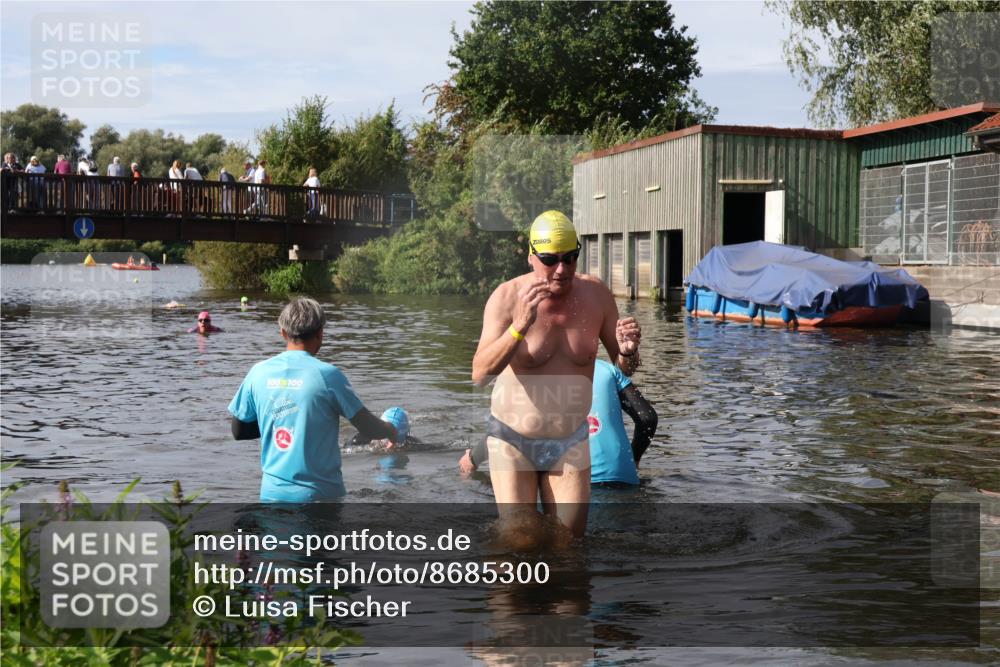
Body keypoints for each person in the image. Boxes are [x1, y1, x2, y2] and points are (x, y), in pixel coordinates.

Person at [471, 210, 641, 537]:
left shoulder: (596, 296)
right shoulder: (506, 298)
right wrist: (520, 326)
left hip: (569, 440)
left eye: (570, 258)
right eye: (550, 260)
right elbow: (479, 373)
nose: (562, 269)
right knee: (517, 545)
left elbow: (622, 368)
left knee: (569, 548)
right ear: (532, 257)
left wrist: (628, 352)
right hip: (512, 440)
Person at [229, 297, 403, 502]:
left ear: (283, 333)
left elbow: (238, 431)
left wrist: (280, 419)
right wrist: (391, 430)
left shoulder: (258, 373)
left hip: (271, 496)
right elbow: (368, 428)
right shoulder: (328, 376)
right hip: (319, 497)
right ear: (320, 333)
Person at [461, 359, 657, 485]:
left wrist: (472, 460)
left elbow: (506, 431)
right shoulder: (607, 369)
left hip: (574, 481)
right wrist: (634, 458)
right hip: (624, 477)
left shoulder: (533, 374)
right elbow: (647, 418)